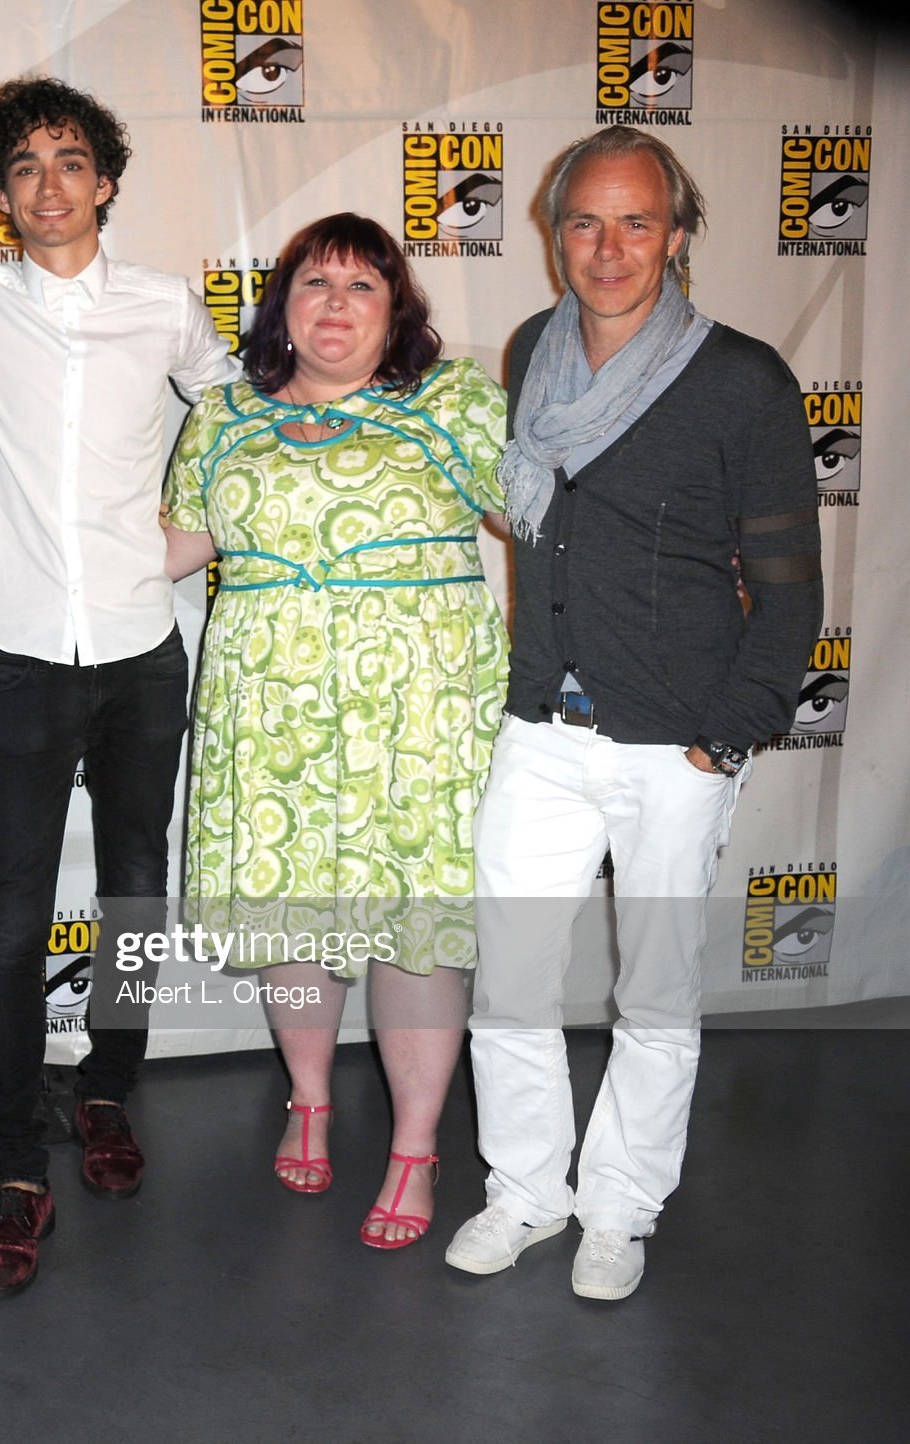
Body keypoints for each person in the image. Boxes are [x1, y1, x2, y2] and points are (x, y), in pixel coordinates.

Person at [443, 126, 822, 1299]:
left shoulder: (742, 380)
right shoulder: (531, 350)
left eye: (635, 222)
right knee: (508, 980)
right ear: (553, 231)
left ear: (676, 233)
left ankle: (618, 1209)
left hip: (675, 741)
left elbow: (790, 588)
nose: (607, 250)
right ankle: (524, 1192)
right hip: (540, 726)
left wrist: (727, 734)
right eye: (584, 222)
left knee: (653, 991)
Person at [163, 213, 509, 1251]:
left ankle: (414, 1147)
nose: (336, 306)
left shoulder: (452, 400)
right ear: (283, 304)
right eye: (315, 283)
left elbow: (539, 515)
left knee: (414, 926)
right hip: (269, 710)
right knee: (293, 915)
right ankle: (307, 1100)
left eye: (363, 286)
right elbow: (167, 549)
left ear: (396, 309)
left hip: (420, 716)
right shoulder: (223, 415)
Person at [0, 76, 237, 1296]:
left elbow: (240, 419)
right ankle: (14, 1167)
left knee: (130, 890)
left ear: (105, 179)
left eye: (69, 160)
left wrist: (184, 543)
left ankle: (108, 1088)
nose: (48, 185)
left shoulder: (162, 304)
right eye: (23, 166)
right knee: (13, 918)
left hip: (137, 649)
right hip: (18, 651)